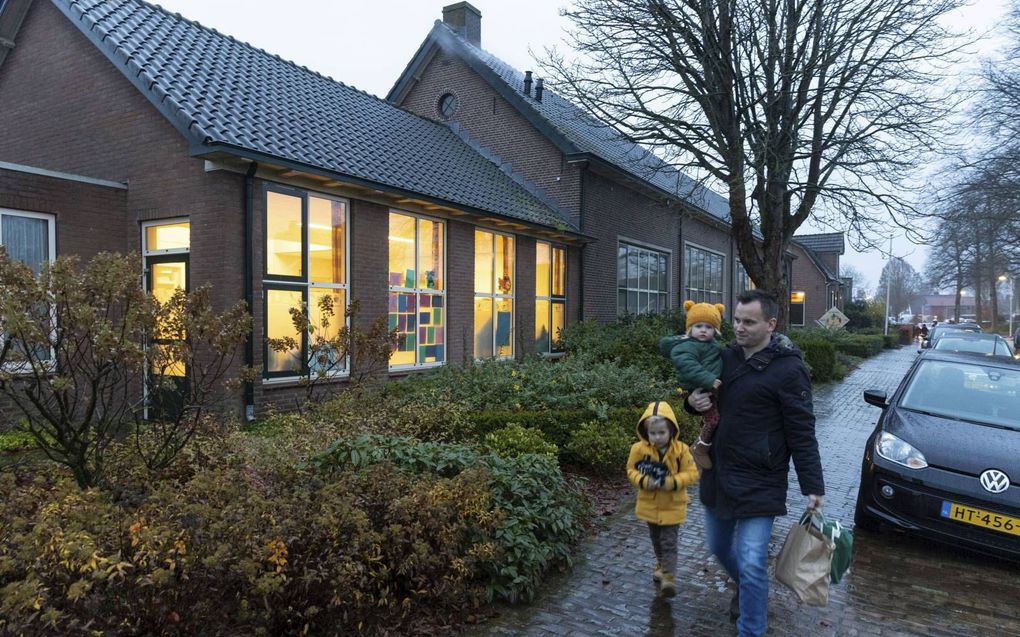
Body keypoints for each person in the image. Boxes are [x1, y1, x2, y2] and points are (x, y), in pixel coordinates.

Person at [686, 290, 824, 637]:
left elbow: (802, 431)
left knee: (750, 561)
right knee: (719, 548)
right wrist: (692, 401)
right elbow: (698, 392)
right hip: (718, 472)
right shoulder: (725, 357)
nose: (739, 327)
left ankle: (751, 628)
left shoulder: (790, 369)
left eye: (749, 321)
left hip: (762, 479)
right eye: (736, 320)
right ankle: (750, 589)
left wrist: (813, 485)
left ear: (770, 324)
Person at [626, 400, 699, 598]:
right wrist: (643, 480)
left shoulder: (681, 451)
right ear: (646, 432)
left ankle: (669, 577)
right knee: (656, 540)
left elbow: (692, 473)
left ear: (671, 431)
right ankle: (660, 564)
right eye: (653, 433)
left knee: (669, 542)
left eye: (662, 433)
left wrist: (672, 482)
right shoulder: (638, 450)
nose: (657, 438)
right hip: (649, 505)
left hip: (673, 505)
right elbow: (631, 470)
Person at [659, 300, 725, 470]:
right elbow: (688, 366)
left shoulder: (713, 346)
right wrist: (709, 380)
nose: (703, 330)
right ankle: (700, 447)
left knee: (713, 416)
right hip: (702, 387)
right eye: (699, 326)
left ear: (715, 330)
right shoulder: (686, 346)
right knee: (713, 418)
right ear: (690, 329)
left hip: (710, 387)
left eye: (709, 327)